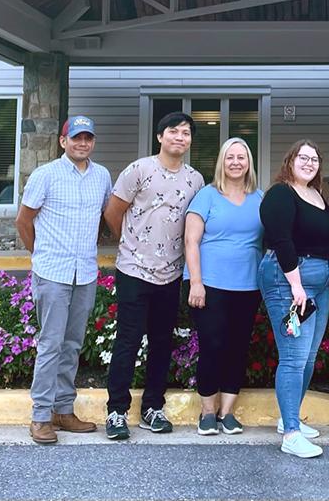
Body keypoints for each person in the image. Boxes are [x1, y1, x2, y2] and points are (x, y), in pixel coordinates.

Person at [102, 112, 204, 441]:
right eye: (173, 131)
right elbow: (113, 212)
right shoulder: (139, 169)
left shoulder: (195, 180)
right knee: (128, 341)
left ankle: (152, 408)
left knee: (162, 342)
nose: (179, 137)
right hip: (133, 270)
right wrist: (129, 244)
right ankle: (116, 411)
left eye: (186, 133)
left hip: (170, 273)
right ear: (160, 137)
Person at [15, 116, 112, 445]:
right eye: (76, 138)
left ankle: (63, 410)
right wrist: (39, 255)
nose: (82, 143)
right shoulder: (46, 175)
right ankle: (40, 416)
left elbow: (103, 216)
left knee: (72, 345)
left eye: (88, 138)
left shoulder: (101, 176)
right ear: (63, 141)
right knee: (51, 344)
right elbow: (24, 220)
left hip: (84, 271)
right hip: (53, 272)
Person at [259, 140, 329, 459]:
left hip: (317, 286)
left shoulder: (318, 195)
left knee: (308, 355)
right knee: (293, 356)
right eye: (303, 157)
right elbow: (281, 239)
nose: (308, 163)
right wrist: (296, 286)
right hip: (288, 281)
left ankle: (288, 419)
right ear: (290, 160)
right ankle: (291, 433)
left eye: (314, 159)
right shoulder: (281, 193)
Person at [184, 137, 264, 436]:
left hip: (248, 285)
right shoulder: (207, 195)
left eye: (241, 157)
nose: (235, 162)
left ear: (248, 162)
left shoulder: (259, 197)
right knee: (213, 346)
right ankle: (207, 412)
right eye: (229, 157)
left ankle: (227, 413)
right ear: (221, 162)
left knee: (238, 348)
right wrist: (196, 282)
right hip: (210, 284)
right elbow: (191, 241)